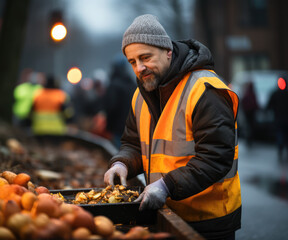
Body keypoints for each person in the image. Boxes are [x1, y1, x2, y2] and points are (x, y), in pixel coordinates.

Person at [103, 14, 241, 240]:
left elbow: (216, 157)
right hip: (165, 212)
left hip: (209, 220)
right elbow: (132, 143)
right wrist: (122, 163)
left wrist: (166, 186)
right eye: (132, 62)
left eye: (145, 57)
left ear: (168, 51)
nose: (139, 68)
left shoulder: (205, 89)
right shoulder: (141, 94)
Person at [104, 54, 136, 148]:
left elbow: (111, 107)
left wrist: (109, 127)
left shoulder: (114, 85)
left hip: (118, 130)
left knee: (119, 155)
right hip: (133, 129)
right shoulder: (133, 85)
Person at [267, 78, 288, 163]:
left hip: (279, 119)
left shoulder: (275, 93)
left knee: (280, 134)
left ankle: (280, 149)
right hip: (284, 119)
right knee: (285, 135)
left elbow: (269, 105)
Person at [241, 81, 258, 147]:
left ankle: (248, 139)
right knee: (251, 126)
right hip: (251, 113)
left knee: (248, 126)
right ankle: (250, 139)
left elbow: (243, 101)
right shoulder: (252, 94)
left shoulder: (247, 93)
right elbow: (255, 103)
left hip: (247, 113)